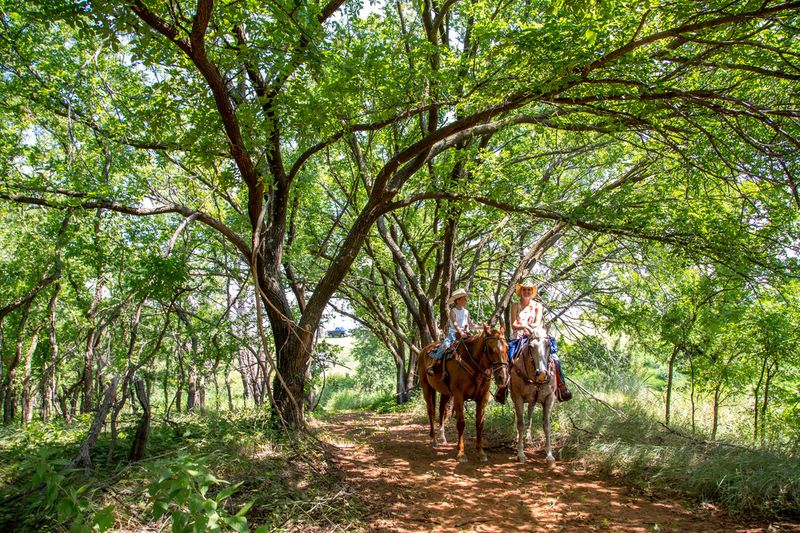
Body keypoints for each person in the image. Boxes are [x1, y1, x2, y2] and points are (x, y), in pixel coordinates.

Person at [496, 280, 572, 402]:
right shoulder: (515, 305)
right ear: (521, 292)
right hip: (519, 338)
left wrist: (528, 327)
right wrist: (525, 327)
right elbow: (514, 324)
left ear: (532, 292)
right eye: (524, 290)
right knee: (508, 359)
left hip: (536, 337)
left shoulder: (538, 306)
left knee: (555, 359)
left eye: (529, 290)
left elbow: (537, 322)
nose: (526, 292)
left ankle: (561, 387)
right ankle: (503, 389)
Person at [426, 288, 478, 375]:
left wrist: (482, 327)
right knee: (445, 345)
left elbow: (472, 325)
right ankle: (433, 364)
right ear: (458, 300)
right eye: (464, 298)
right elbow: (455, 323)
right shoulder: (452, 311)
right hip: (454, 334)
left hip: (466, 334)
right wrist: (461, 332)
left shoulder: (466, 312)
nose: (466, 300)